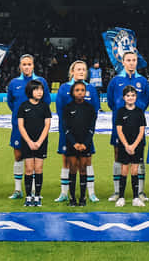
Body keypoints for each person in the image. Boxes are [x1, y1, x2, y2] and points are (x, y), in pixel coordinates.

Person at [107, 51, 149, 201]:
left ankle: (140, 192)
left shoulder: (143, 81)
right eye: (128, 60)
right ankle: (117, 192)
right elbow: (110, 102)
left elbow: (145, 102)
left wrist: (135, 113)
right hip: (120, 125)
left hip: (137, 124)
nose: (131, 63)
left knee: (138, 158)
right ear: (123, 62)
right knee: (119, 156)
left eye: (134, 60)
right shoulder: (115, 81)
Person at [55, 60, 101, 203]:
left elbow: (95, 110)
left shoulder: (91, 89)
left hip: (85, 133)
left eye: (83, 69)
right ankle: (64, 193)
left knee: (87, 161)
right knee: (66, 161)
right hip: (67, 132)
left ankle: (91, 193)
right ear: (72, 72)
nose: (81, 71)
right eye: (78, 69)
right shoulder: (63, 88)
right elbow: (60, 111)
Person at [6, 54, 51, 200]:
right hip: (19, 126)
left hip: (37, 127)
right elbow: (11, 103)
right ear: (20, 66)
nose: (27, 67)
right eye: (24, 64)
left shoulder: (41, 82)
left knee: (36, 157)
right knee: (19, 156)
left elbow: (46, 102)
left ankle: (34, 191)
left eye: (29, 64)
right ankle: (18, 190)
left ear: (33, 65)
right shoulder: (14, 83)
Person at [17, 79, 52, 207]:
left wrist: (39, 142)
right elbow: (20, 126)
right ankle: (28, 196)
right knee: (29, 169)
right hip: (27, 142)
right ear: (30, 91)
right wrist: (30, 142)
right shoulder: (23, 106)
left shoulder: (44, 106)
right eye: (36, 89)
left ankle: (37, 196)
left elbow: (47, 125)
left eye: (41, 89)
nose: (39, 92)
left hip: (41, 142)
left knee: (38, 169)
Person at [62, 80, 98, 206]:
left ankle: (83, 198)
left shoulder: (90, 108)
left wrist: (85, 143)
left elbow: (92, 128)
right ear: (72, 92)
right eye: (77, 90)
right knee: (72, 169)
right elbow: (65, 128)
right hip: (72, 144)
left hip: (85, 144)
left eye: (82, 90)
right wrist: (74, 143)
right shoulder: (67, 108)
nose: (80, 93)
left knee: (83, 169)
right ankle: (72, 198)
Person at [114, 85, 147, 207]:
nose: (130, 98)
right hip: (124, 146)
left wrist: (134, 145)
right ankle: (121, 197)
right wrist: (127, 145)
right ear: (124, 98)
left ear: (136, 97)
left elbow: (142, 130)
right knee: (124, 170)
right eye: (128, 96)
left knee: (134, 171)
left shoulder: (139, 112)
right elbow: (119, 130)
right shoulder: (120, 111)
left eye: (133, 95)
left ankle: (136, 198)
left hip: (137, 146)